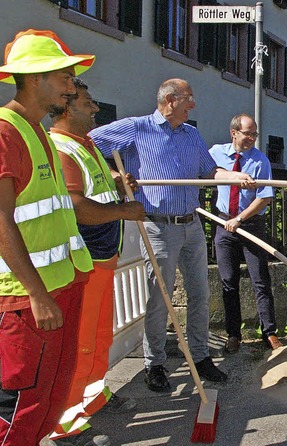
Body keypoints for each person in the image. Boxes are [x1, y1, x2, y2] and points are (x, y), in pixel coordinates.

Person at [89, 79, 255, 393]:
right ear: (169, 99)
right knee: (159, 299)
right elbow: (86, 145)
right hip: (157, 226)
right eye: (188, 98)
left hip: (191, 225)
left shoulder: (191, 134)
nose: (193, 104)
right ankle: (155, 364)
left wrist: (235, 177)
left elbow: (209, 172)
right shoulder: (137, 128)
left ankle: (201, 357)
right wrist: (114, 175)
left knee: (201, 296)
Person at [0, 29, 95, 445]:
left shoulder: (36, 130)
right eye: (64, 77)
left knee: (48, 401)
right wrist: (37, 294)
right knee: (21, 407)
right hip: (26, 299)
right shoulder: (7, 132)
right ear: (35, 78)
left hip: (58, 286)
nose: (72, 87)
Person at [45, 78, 145, 444]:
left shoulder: (85, 145)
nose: (96, 109)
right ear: (68, 107)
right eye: (89, 102)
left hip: (101, 256)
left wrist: (117, 180)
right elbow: (76, 208)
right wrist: (125, 209)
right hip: (82, 260)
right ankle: (65, 422)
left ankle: (92, 395)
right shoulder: (61, 150)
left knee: (100, 334)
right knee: (80, 339)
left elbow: (95, 188)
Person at [209, 114, 282, 352]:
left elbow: (264, 198)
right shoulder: (216, 153)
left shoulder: (260, 161)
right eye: (247, 133)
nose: (251, 138)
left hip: (250, 225)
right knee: (228, 282)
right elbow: (204, 171)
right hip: (223, 225)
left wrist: (239, 219)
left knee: (260, 280)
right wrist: (229, 221)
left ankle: (269, 333)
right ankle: (233, 335)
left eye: (254, 134)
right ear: (234, 133)